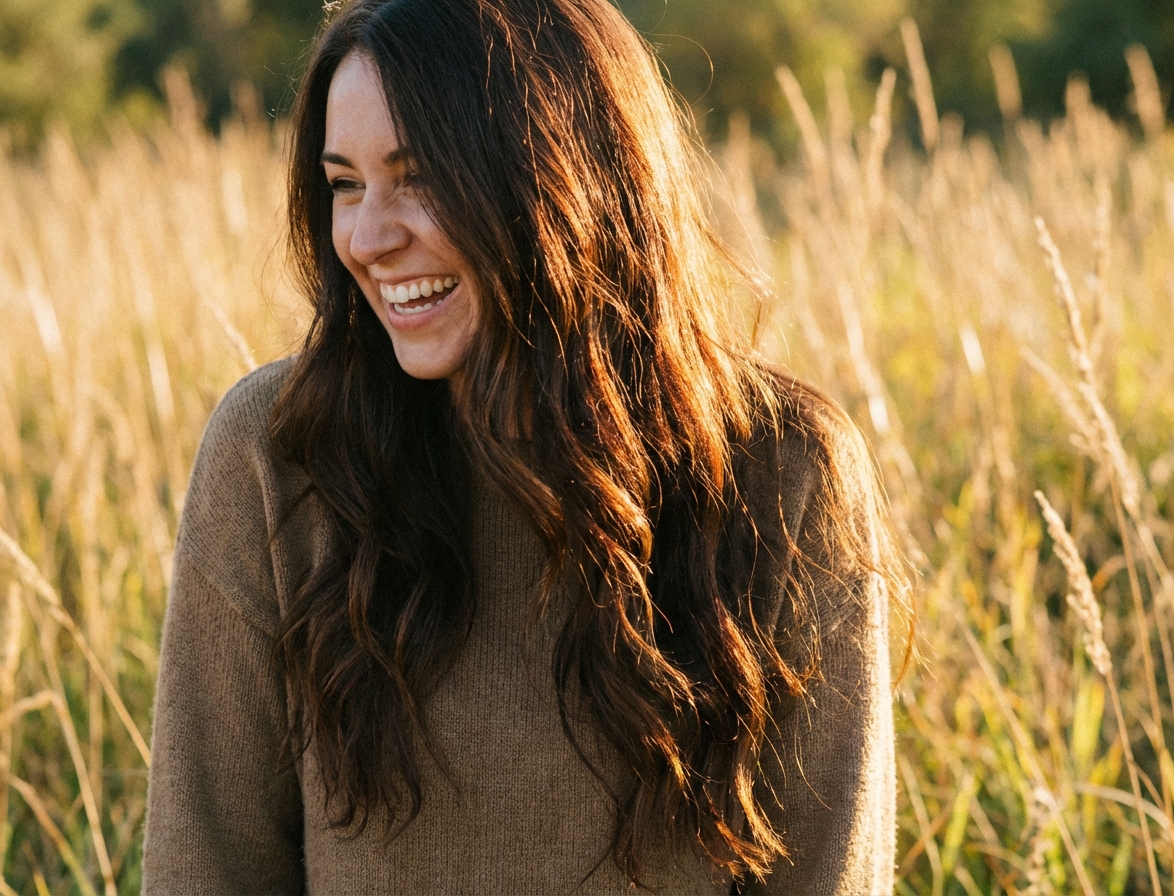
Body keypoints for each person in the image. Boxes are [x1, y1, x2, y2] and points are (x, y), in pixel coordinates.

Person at [141, 0, 908, 892]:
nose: (366, 237)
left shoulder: (783, 469)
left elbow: (827, 875)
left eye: (419, 176)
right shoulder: (280, 452)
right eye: (344, 183)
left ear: (564, 177)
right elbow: (205, 866)